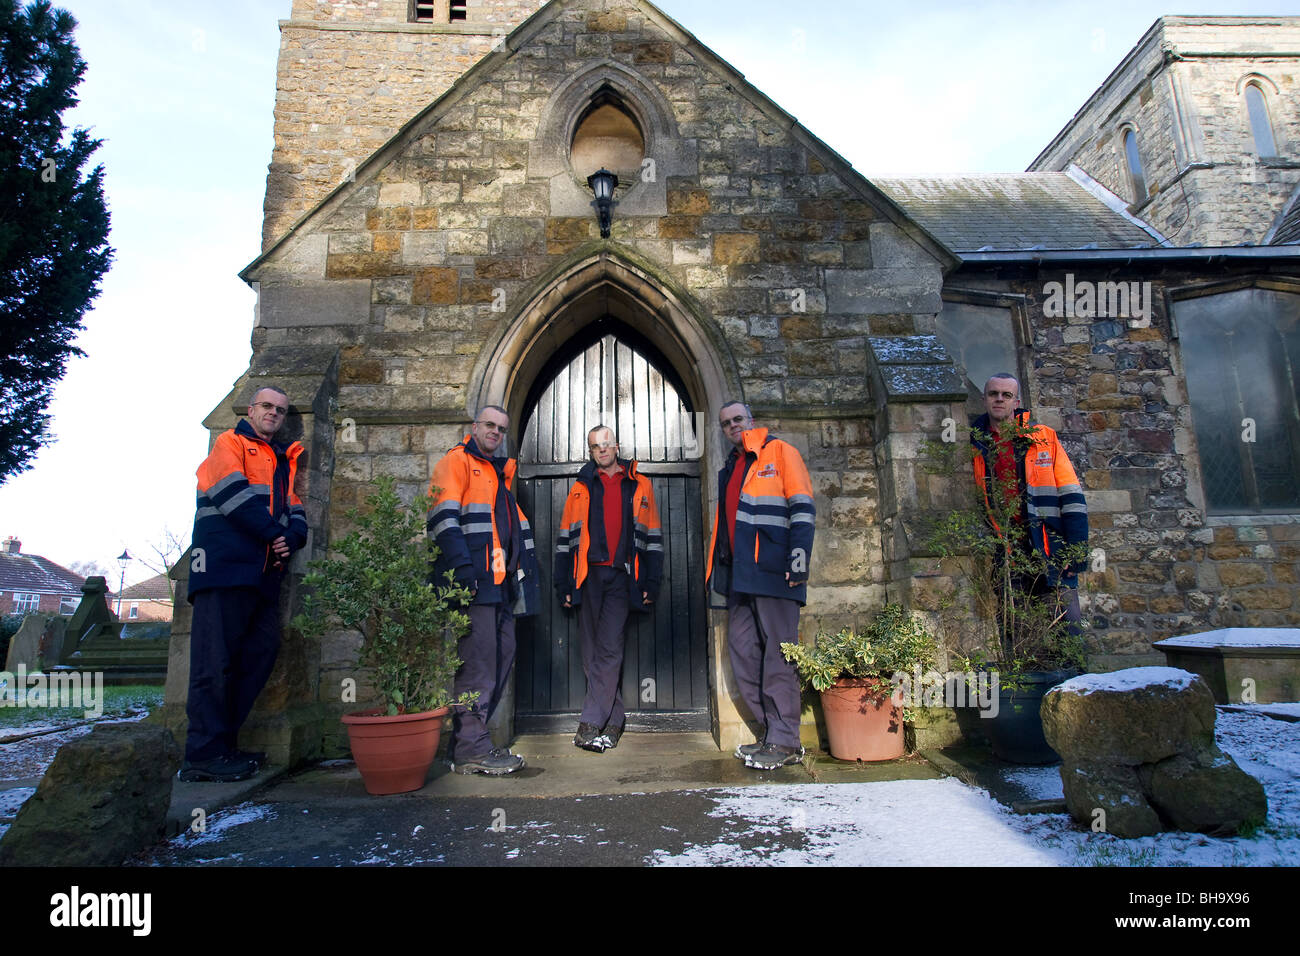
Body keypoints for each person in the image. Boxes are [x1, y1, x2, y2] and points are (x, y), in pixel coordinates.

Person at [183, 386, 308, 782]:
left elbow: (295, 507)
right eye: (267, 406)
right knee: (214, 663)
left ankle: (224, 746)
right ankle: (202, 754)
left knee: (258, 655)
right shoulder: (229, 443)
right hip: (224, 567)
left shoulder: (281, 461)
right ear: (251, 410)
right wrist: (275, 533)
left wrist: (294, 535)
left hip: (263, 573)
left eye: (281, 409)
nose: (274, 413)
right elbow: (229, 493)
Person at [427, 404, 539, 775]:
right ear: (474, 426)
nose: (495, 432)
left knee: (502, 655)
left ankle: (467, 740)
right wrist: (462, 570)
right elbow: (443, 519)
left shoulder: (497, 473)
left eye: (501, 428)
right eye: (489, 425)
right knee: (478, 666)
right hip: (473, 583)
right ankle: (472, 749)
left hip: (500, 584)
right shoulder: (455, 462)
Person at [706, 401, 815, 771]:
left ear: (751, 421)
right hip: (739, 577)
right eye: (726, 423)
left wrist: (797, 564)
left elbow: (803, 509)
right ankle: (771, 733)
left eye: (738, 419)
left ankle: (786, 741)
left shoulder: (781, 452)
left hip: (776, 573)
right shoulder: (729, 468)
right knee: (743, 652)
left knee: (779, 656)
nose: (733, 426)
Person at [556, 425, 663, 753]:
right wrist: (565, 583)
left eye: (606, 445)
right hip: (587, 578)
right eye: (595, 447)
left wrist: (652, 580)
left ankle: (589, 722)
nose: (602, 450)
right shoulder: (580, 487)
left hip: (622, 577)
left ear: (616, 446)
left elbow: (653, 536)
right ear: (591, 451)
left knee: (610, 647)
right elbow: (565, 539)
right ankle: (615, 720)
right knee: (590, 652)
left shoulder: (639, 484)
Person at [971, 373, 1088, 640]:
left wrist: (1076, 553)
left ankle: (1075, 682)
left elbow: (1072, 497)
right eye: (993, 394)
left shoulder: (1044, 439)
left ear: (1017, 402)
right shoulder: (976, 445)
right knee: (1017, 635)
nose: (999, 399)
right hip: (1008, 555)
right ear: (985, 399)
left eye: (1006, 395)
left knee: (1067, 632)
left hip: (1050, 549)